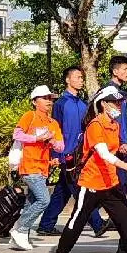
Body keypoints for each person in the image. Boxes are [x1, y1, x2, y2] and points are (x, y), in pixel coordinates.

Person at [51, 90, 127, 253]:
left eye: (120, 102)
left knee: (126, 221)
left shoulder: (114, 125)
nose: (119, 105)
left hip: (110, 183)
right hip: (91, 183)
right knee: (77, 222)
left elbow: (112, 152)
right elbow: (103, 154)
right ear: (103, 104)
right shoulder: (95, 125)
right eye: (115, 102)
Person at [5, 86, 66, 247]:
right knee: (44, 200)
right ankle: (20, 229)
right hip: (29, 166)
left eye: (50, 98)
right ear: (34, 101)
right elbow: (17, 134)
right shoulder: (29, 116)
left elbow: (61, 146)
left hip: (43, 168)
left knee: (31, 202)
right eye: (44, 98)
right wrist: (37, 138)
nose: (49, 101)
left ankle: (19, 234)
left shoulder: (53, 123)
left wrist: (52, 141)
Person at [39, 63, 89, 236]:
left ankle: (46, 224)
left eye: (82, 78)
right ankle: (97, 223)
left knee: (63, 191)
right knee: (78, 188)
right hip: (66, 154)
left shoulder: (83, 104)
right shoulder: (61, 103)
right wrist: (55, 154)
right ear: (68, 80)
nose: (81, 80)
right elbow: (55, 129)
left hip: (80, 154)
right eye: (78, 77)